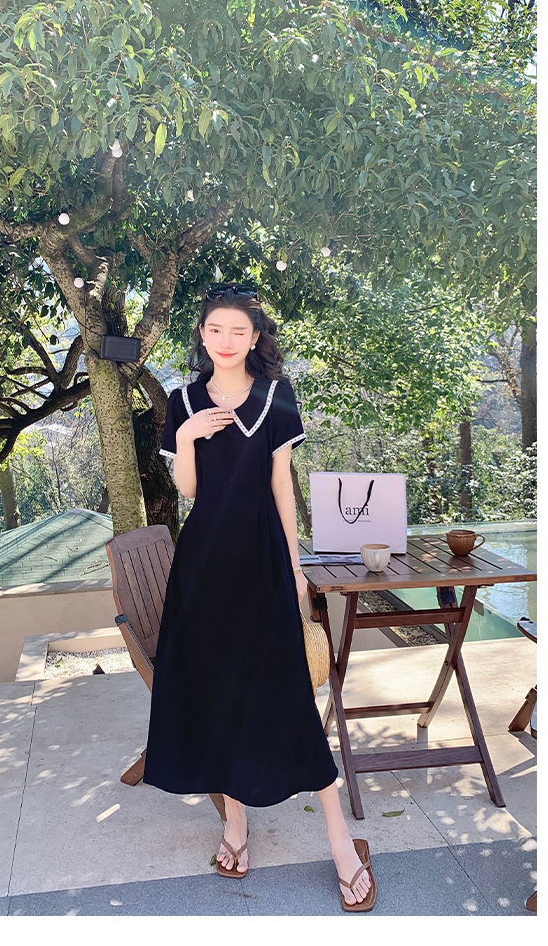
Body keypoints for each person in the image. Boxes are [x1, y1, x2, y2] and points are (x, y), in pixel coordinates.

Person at [143, 282, 376, 912]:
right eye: (215, 330)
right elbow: (190, 491)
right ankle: (237, 825)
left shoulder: (277, 395)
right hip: (203, 566)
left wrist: (295, 565)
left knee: (286, 693)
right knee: (216, 689)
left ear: (254, 338)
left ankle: (340, 842)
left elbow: (281, 486)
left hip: (263, 558)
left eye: (238, 331)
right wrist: (186, 437)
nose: (226, 340)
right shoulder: (182, 400)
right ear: (202, 334)